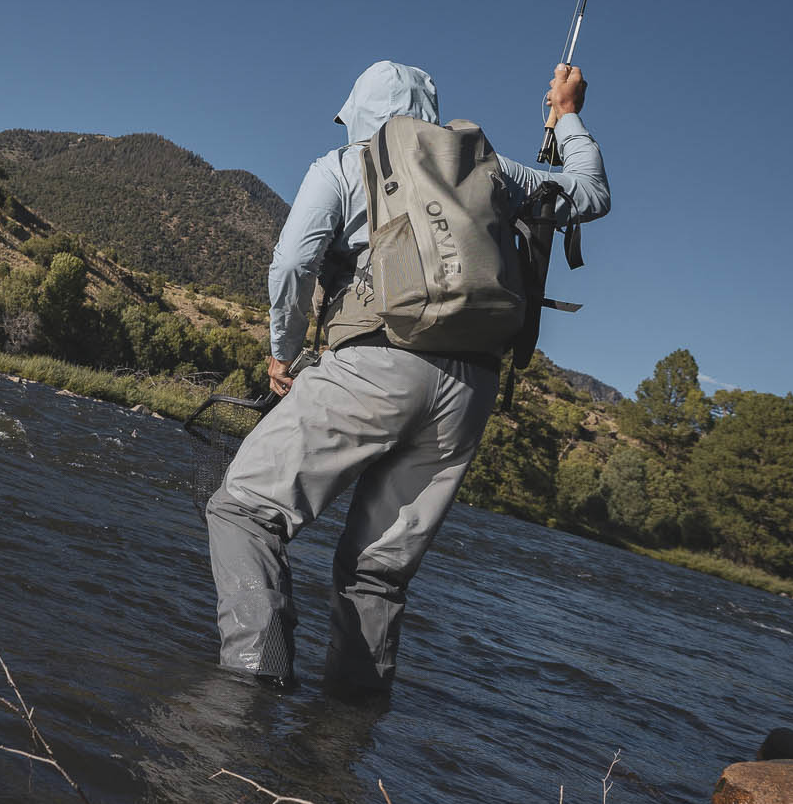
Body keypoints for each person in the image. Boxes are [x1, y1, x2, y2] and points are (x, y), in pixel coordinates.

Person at [205, 60, 609, 693]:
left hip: (375, 363)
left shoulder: (343, 165)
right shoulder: (493, 170)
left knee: (245, 512)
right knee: (377, 573)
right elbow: (590, 195)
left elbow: (291, 265)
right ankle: (341, 743)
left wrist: (281, 353)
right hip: (470, 392)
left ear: (361, 114)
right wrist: (571, 115)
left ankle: (248, 700)